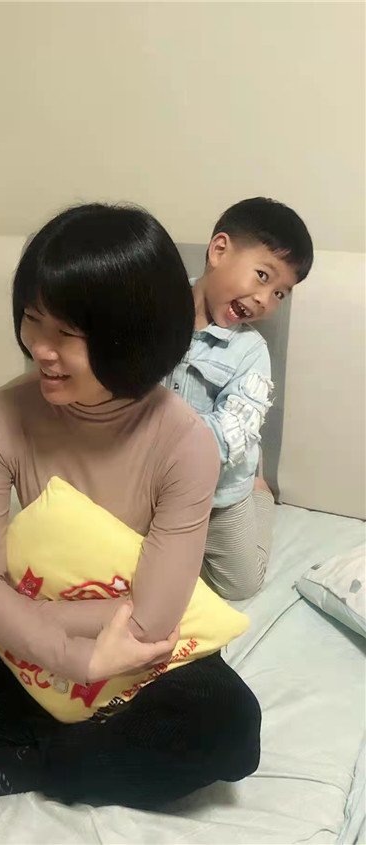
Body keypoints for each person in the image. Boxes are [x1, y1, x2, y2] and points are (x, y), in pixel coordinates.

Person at [0, 203, 261, 813]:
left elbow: (151, 620)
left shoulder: (185, 442)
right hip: (39, 629)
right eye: (32, 320)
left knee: (229, 729)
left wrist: (45, 628)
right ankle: (97, 744)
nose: (40, 349)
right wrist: (73, 657)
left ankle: (39, 762)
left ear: (134, 335)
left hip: (138, 646)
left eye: (67, 334)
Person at [163, 198, 313, 600]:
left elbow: (226, 437)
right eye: (262, 276)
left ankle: (259, 493)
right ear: (219, 250)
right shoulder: (154, 312)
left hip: (219, 491)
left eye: (279, 293)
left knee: (240, 586)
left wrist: (154, 442)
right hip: (149, 485)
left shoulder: (250, 352)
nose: (265, 299)